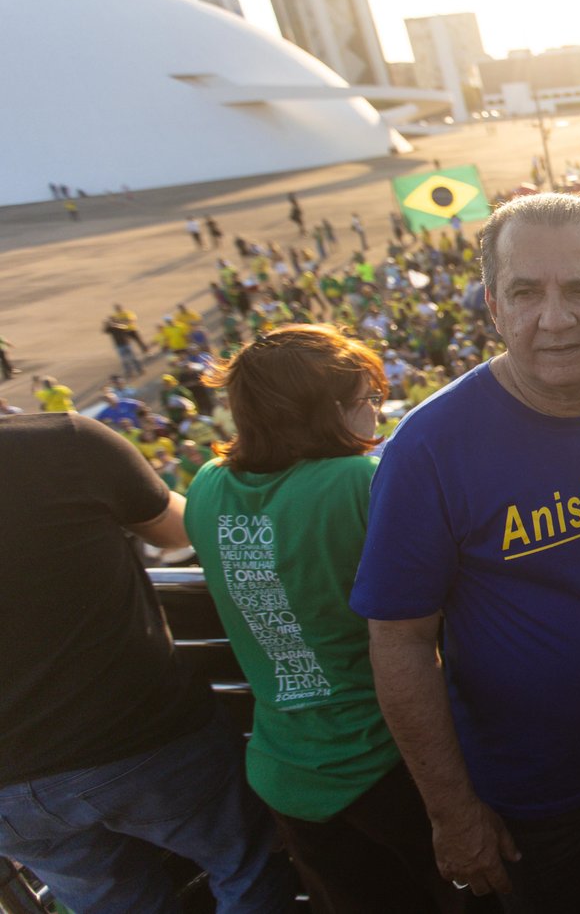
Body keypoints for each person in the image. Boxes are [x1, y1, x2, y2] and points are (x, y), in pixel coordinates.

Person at [351, 193, 580, 911]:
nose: (555, 318)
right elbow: (400, 641)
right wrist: (451, 810)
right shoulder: (428, 449)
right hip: (528, 804)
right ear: (494, 308)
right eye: (526, 292)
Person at [183, 325, 462, 914]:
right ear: (325, 412)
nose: (377, 417)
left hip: (287, 774)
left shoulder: (207, 487)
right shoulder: (357, 483)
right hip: (385, 765)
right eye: (368, 401)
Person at [0, 411, 293, 914]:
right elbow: (181, 530)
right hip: (142, 740)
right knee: (246, 865)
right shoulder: (60, 440)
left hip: (11, 796)